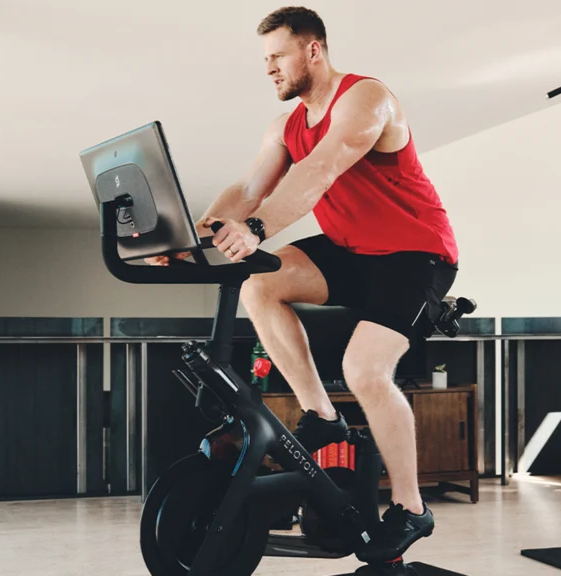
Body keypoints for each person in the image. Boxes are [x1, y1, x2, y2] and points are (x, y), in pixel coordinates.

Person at [147, 6, 458, 564]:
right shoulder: (284, 126)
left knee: (366, 369)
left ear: (312, 50)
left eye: (277, 56)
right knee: (260, 284)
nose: (269, 69)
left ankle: (412, 509)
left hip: (416, 254)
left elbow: (319, 170)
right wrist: (192, 240)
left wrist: (258, 228)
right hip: (350, 250)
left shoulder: (366, 99)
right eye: (264, 59)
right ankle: (321, 415)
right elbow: (247, 188)